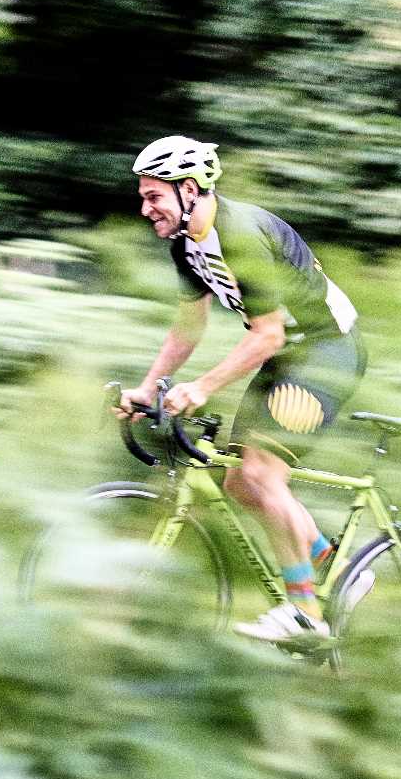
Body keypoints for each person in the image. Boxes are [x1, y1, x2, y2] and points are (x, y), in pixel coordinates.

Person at [118, 135, 366, 643]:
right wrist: (148, 388)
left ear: (189, 190)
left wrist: (202, 387)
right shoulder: (187, 244)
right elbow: (188, 327)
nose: (145, 209)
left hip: (327, 353)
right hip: (288, 356)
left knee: (261, 473)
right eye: (143, 197)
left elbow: (267, 334)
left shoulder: (240, 235)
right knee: (239, 483)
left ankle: (306, 615)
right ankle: (342, 571)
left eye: (153, 196)